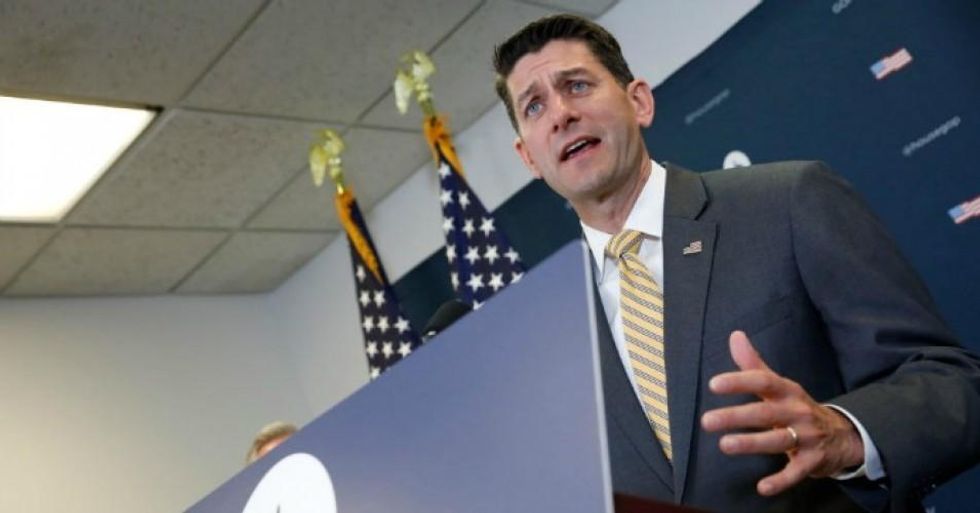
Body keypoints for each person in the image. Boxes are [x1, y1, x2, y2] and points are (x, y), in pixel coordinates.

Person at [492, 14, 980, 513]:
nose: (561, 114)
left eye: (576, 85)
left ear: (639, 102)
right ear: (528, 158)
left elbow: (956, 383)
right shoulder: (554, 337)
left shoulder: (787, 201)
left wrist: (847, 434)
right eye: (534, 106)